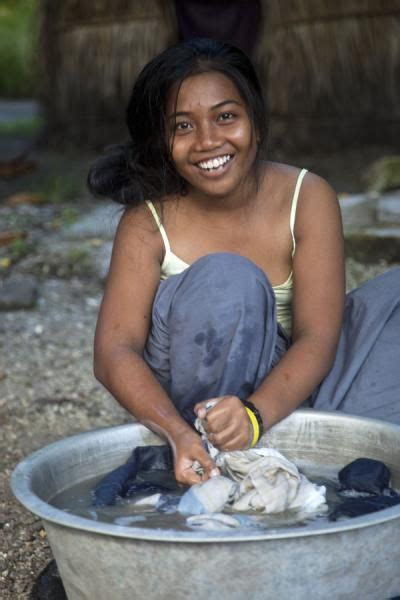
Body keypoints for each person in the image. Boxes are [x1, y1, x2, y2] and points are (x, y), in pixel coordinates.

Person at [88, 38, 400, 488]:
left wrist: (254, 415)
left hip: (292, 385)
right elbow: (113, 352)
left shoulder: (307, 196)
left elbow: (318, 335)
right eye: (182, 126)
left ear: (254, 118)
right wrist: (176, 433)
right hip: (193, 409)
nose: (209, 141)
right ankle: (212, 459)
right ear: (161, 138)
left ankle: (284, 442)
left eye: (226, 116)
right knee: (227, 279)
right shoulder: (148, 221)